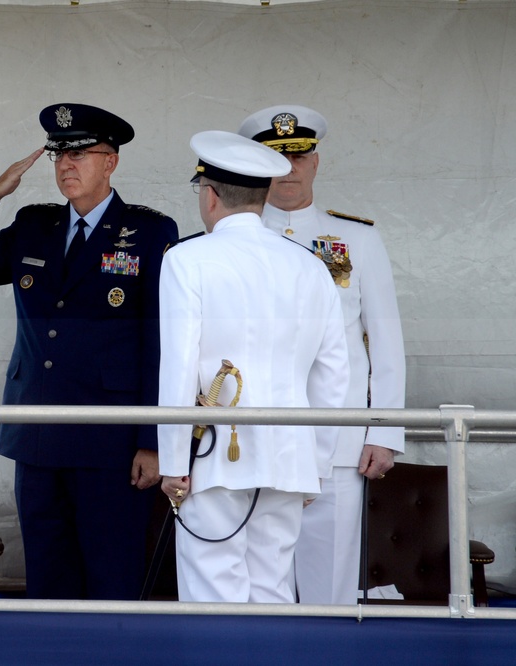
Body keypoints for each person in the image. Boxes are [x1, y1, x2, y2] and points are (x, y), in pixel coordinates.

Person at [0, 103, 179, 600]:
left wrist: (152, 439)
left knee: (112, 577)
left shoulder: (148, 232)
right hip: (37, 437)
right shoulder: (33, 225)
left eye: (80, 153)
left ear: (111, 162)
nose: (66, 165)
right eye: (59, 154)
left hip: (112, 442)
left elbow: (160, 343)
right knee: (47, 578)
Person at [158, 130, 349, 603]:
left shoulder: (187, 260)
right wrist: (318, 463)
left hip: (215, 455)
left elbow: (179, 367)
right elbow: (333, 373)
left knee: (211, 591)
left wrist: (173, 460)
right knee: (273, 590)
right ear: (264, 197)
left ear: (210, 195)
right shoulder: (310, 265)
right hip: (290, 455)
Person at [238, 105, 406, 605]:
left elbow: (386, 341)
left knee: (329, 589)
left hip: (338, 445)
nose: (289, 169)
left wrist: (384, 431)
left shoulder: (358, 239)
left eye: (300, 155)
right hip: (251, 440)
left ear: (316, 162)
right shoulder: (229, 242)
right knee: (253, 587)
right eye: (276, 157)